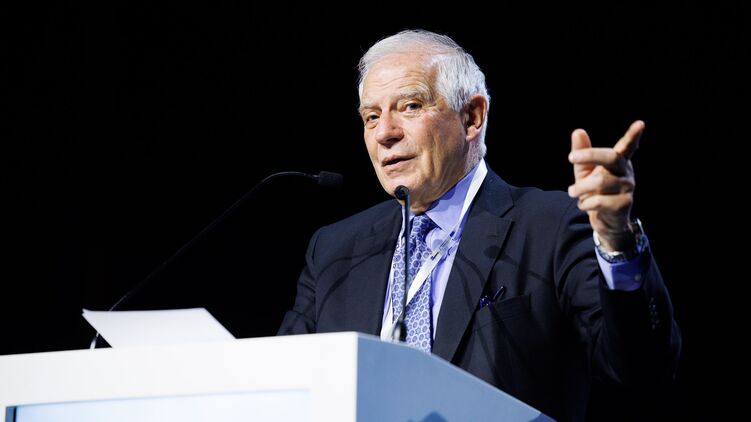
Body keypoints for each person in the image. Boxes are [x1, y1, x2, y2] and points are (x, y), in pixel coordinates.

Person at [278, 29, 681, 421]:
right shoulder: (334, 251)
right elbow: (281, 387)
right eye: (371, 116)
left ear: (472, 117)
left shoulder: (549, 226)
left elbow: (641, 371)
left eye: (411, 106)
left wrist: (617, 242)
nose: (385, 133)